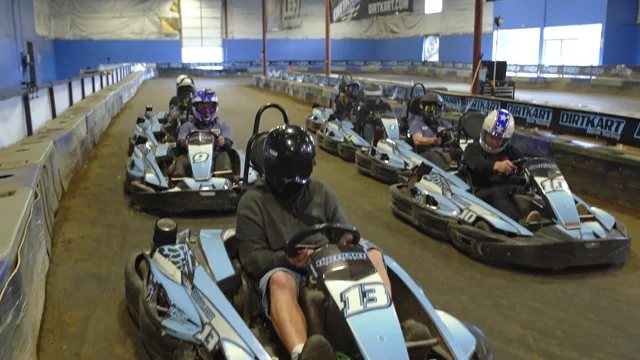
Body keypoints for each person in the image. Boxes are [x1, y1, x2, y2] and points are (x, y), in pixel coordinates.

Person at [236, 124, 429, 360]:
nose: (297, 178)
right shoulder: (253, 201)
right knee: (279, 281)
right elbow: (251, 258)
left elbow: (343, 230)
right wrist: (287, 259)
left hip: (329, 260)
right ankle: (303, 353)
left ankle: (390, 335)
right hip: (286, 268)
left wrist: (347, 242)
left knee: (374, 255)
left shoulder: (321, 191)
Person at [462, 109, 541, 223]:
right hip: (479, 191)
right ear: (485, 133)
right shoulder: (473, 149)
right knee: (497, 192)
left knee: (524, 187)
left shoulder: (509, 150)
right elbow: (476, 164)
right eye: (492, 137)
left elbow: (524, 162)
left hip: (504, 189)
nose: (494, 142)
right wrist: (495, 165)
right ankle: (517, 222)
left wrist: (524, 169)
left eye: (499, 139)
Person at [172, 90, 233, 177]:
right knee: (181, 159)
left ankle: (224, 179)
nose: (207, 111)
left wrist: (223, 142)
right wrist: (182, 143)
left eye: (210, 107)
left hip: (214, 156)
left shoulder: (222, 125)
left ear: (215, 108)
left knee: (224, 155)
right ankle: (180, 181)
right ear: (195, 108)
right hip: (192, 159)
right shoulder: (187, 126)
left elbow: (228, 143)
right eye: (202, 108)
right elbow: (178, 147)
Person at [408, 92, 456, 170]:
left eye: (435, 109)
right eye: (429, 108)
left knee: (459, 155)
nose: (433, 112)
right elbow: (417, 140)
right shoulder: (417, 123)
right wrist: (432, 140)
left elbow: (454, 133)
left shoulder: (443, 123)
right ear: (422, 108)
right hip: (425, 153)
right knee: (437, 159)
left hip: (443, 152)